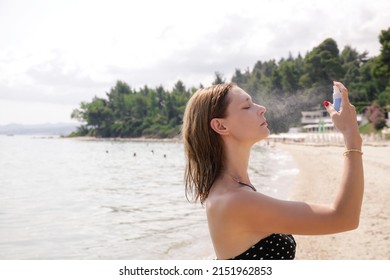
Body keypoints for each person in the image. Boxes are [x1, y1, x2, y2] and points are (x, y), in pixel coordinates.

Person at [182, 81, 364, 260]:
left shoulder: (233, 189)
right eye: (247, 106)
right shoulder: (235, 200)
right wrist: (352, 137)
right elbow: (344, 218)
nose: (261, 108)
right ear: (221, 126)